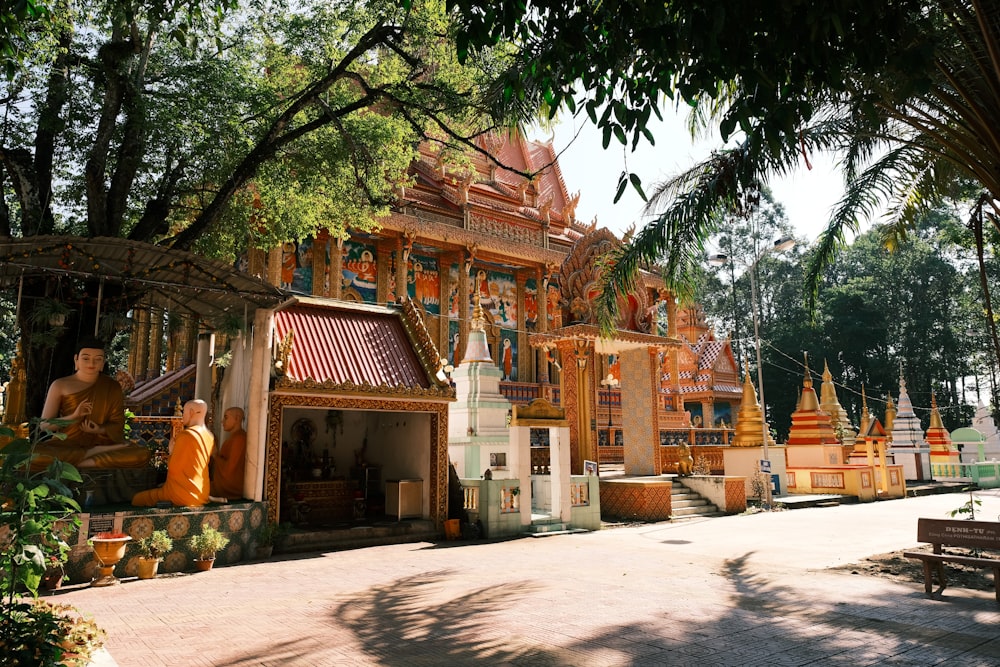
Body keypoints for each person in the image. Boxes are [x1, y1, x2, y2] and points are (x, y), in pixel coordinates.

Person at [36, 337, 151, 469]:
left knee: (141, 454)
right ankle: (89, 456)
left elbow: (117, 425)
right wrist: (74, 416)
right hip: (66, 444)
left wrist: (99, 429)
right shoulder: (60, 385)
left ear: (103, 363)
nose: (92, 363)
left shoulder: (111, 386)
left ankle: (77, 462)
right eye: (86, 358)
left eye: (98, 359)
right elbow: (44, 426)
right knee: (35, 455)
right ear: (76, 360)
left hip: (103, 444)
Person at [132, 399, 214, 507]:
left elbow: (174, 468)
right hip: (202, 494)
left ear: (192, 412)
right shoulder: (210, 436)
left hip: (183, 495)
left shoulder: (187, 435)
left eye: (183, 412)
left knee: (137, 499)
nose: (182, 416)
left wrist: (171, 452)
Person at [210, 406, 246, 499]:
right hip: (222, 485)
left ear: (237, 418)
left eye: (226, 417)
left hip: (231, 489)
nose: (222, 421)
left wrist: (215, 455)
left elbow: (229, 471)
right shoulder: (231, 439)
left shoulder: (240, 439)